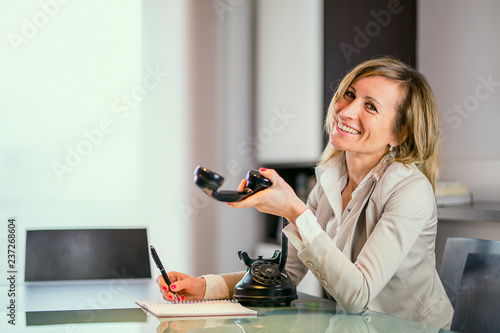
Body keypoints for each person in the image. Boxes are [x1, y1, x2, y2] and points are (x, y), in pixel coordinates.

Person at [157, 57, 454, 329]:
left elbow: (356, 296)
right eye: (349, 95)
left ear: (399, 134)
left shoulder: (410, 190)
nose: (346, 111)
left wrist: (295, 212)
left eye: (370, 106)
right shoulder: (330, 179)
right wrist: (206, 287)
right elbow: (287, 272)